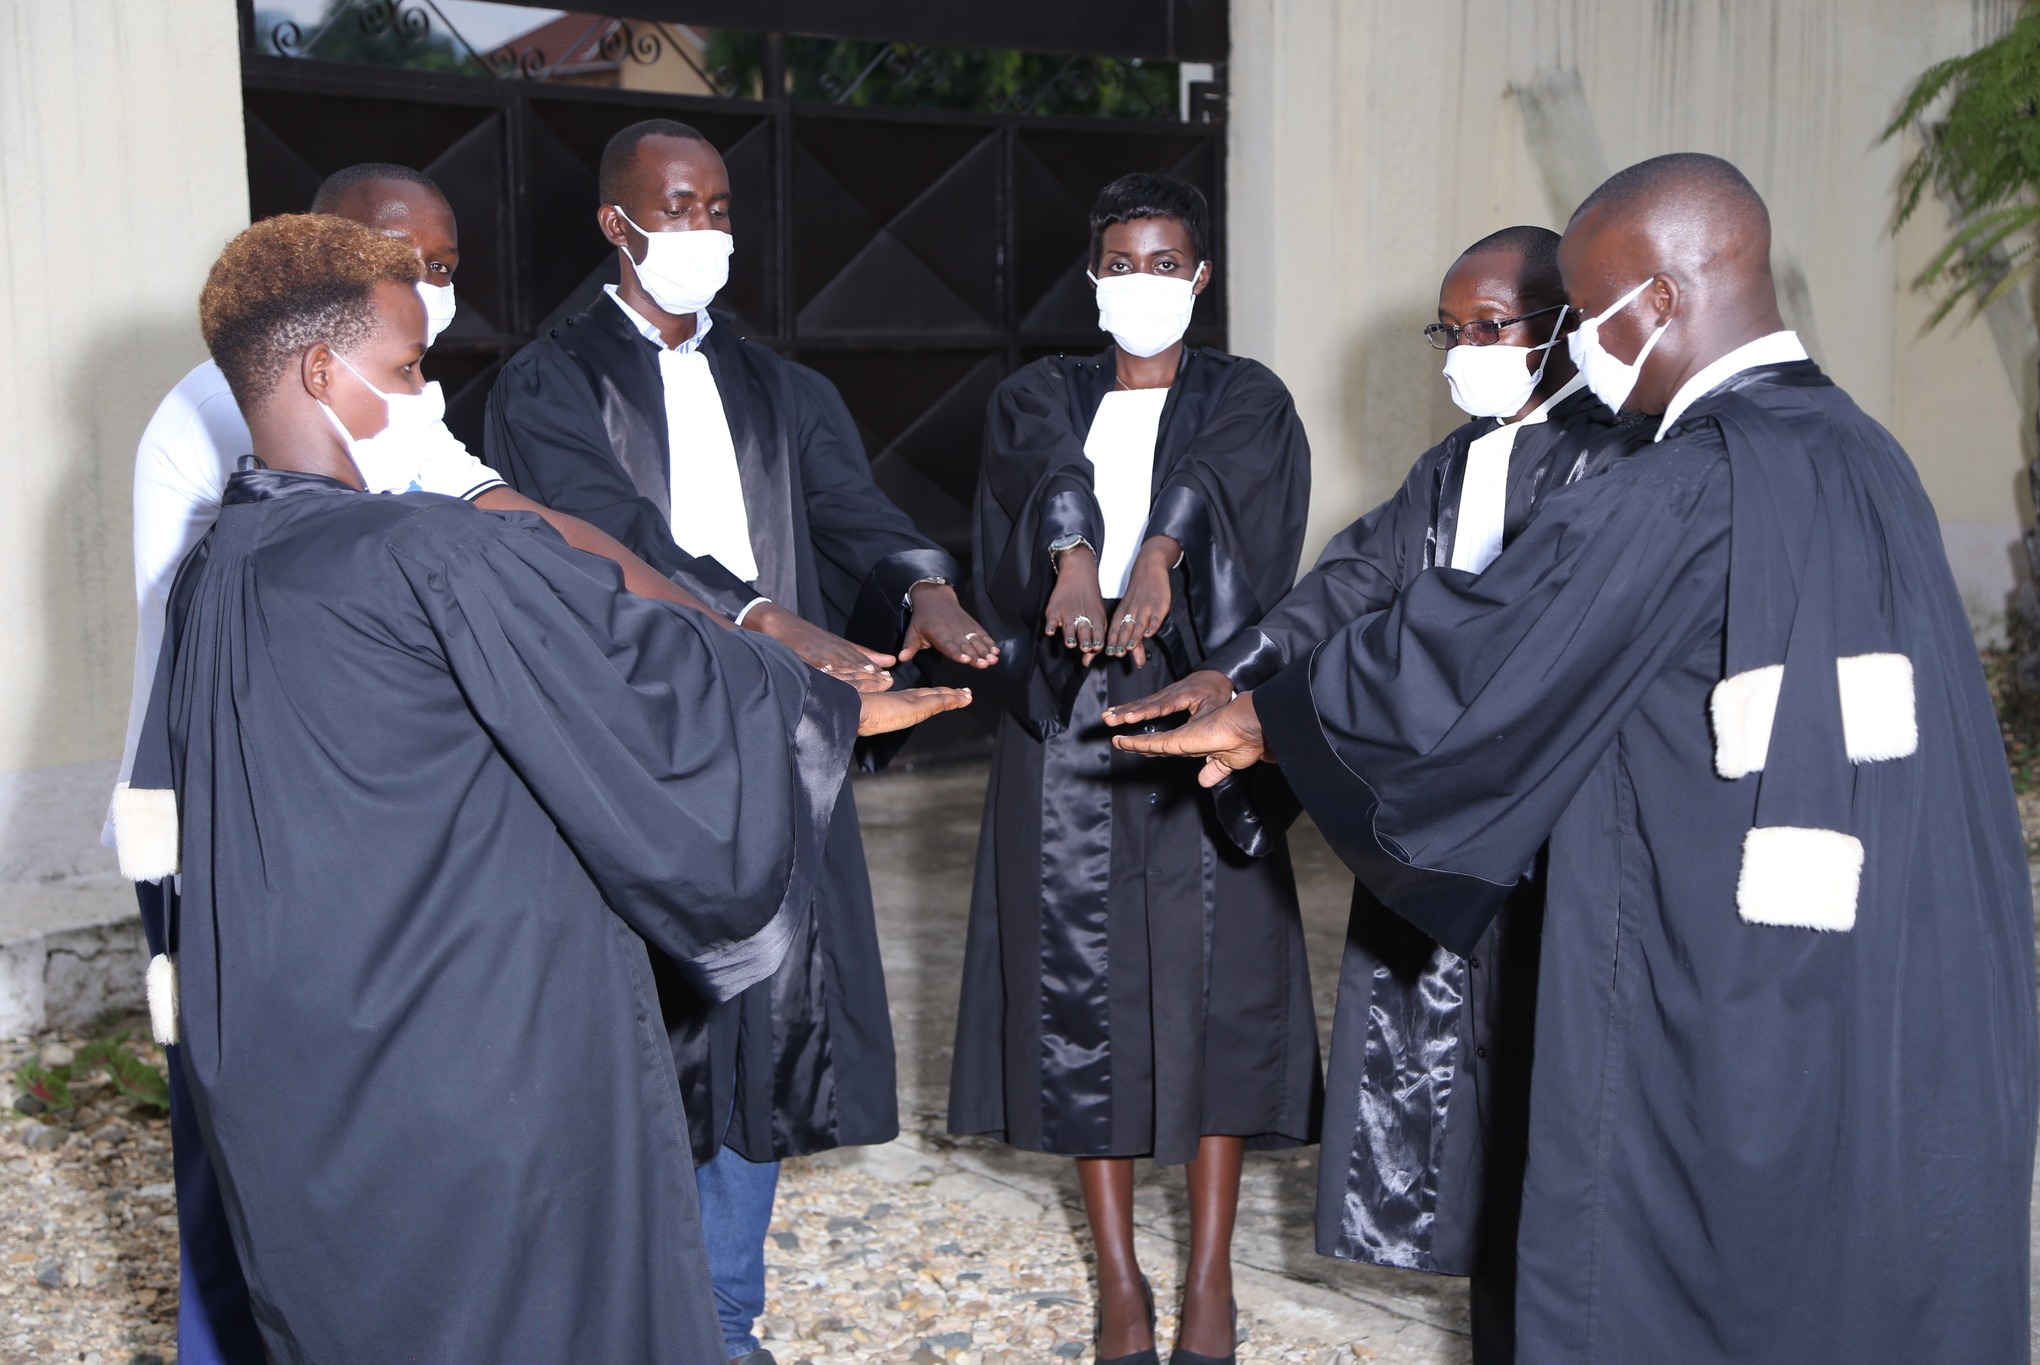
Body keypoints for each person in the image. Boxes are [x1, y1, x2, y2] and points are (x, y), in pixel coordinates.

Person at [1115, 153, 2039, 1363]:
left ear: (1653, 302)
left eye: (1591, 315)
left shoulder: (1689, 479)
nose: (1585, 357)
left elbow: (1496, 644)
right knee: (1856, 1245)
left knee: (1671, 1256)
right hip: (1893, 952)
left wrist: (1274, 718)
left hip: (1716, 963)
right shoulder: (1862, 453)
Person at [112, 212, 967, 1363]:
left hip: (307, 1062)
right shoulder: (419, 553)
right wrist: (813, 700)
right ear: (320, 371)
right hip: (472, 1061)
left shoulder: (220, 566)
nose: (426, 398)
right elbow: (630, 676)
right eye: (408, 370)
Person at [111, 160, 728, 1365]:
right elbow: (259, 630)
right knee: (251, 1159)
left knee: (376, 1167)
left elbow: (528, 529)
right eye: (406, 270)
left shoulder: (383, 422)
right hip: (222, 819)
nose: (428, 302)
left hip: (357, 829)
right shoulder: (213, 424)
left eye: (442, 272)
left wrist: (734, 625)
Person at [483, 118, 998, 1364]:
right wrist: (763, 618)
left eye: (718, 209)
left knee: (763, 1021)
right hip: (635, 735)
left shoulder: (779, 382)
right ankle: (627, 1315)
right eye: (678, 208)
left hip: (779, 732)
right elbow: (597, 531)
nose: (703, 232)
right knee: (643, 1028)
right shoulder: (545, 385)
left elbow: (850, 508)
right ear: (618, 224)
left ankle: (722, 1320)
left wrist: (923, 586)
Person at [1106, 226, 1646, 1362]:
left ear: (1563, 326)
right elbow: (1357, 577)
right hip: (1442, 819)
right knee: (1463, 1106)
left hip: (1564, 832)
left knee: (1571, 1106)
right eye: (1447, 333)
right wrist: (1236, 669)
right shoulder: (1455, 462)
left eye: (1488, 327)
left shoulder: (1620, 461)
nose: (1463, 353)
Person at [950, 173, 1317, 1365]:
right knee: (1076, 995)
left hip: (1200, 705)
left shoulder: (1245, 396)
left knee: (1218, 987)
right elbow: (1039, 480)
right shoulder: (1034, 394)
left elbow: (1225, 491)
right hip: (1064, 720)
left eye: (1168, 263)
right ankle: (1118, 1281)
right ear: (1093, 276)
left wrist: (1156, 554)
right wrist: (1073, 555)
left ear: (1199, 279)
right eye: (1123, 262)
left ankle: (1207, 1278)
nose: (1144, 282)